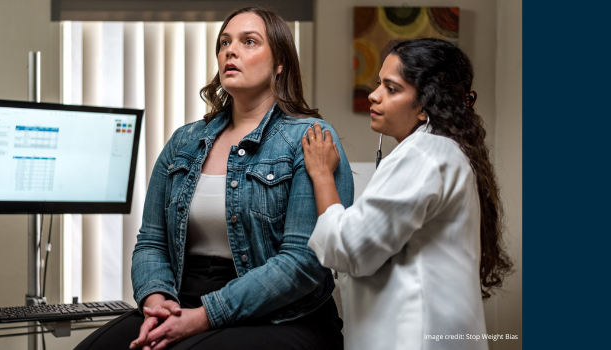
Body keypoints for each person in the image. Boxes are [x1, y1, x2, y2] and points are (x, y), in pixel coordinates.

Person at [74, 6, 354, 350]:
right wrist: (156, 299)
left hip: (283, 312)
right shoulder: (184, 140)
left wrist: (206, 315)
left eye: (249, 42)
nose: (230, 51)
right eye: (224, 43)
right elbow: (151, 241)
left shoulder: (309, 138)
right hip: (182, 297)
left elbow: (304, 263)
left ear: (280, 63)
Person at [300, 38, 514, 350]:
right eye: (378, 84)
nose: (374, 95)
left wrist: (321, 174)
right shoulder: (440, 151)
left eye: (392, 88)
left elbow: (348, 249)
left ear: (428, 104)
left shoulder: (425, 155)